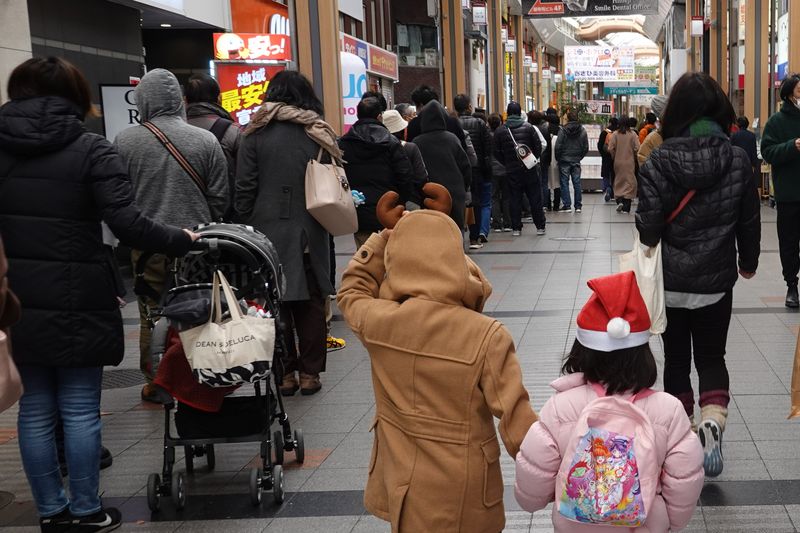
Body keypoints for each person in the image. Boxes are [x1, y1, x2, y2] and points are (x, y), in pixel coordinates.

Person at [0, 56, 197, 533]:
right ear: (76, 95)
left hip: (14, 300)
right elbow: (127, 224)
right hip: (78, 293)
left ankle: (51, 511)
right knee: (80, 406)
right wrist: (181, 238)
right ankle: (87, 510)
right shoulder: (91, 149)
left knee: (35, 408)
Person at [337, 188, 536, 533]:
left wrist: (387, 236)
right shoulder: (487, 335)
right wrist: (555, 473)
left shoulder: (378, 323)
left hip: (405, 489)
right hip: (469, 493)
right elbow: (518, 423)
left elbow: (352, 288)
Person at [637, 72, 761, 477]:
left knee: (675, 361)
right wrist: (749, 262)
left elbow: (648, 228)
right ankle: (713, 421)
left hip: (670, 284)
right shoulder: (738, 160)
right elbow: (749, 220)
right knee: (711, 357)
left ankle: (685, 437)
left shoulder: (658, 158)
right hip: (715, 283)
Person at [514, 271, 704, 532]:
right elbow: (684, 479)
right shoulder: (668, 411)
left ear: (582, 351)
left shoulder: (561, 408)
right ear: (643, 353)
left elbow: (531, 489)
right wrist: (670, 520)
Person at [114, 68, 229, 403]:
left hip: (147, 244)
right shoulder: (205, 140)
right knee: (196, 308)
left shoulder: (125, 141)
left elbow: (118, 198)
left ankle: (156, 381)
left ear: (143, 101)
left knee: (151, 311)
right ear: (179, 101)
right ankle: (199, 374)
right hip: (198, 244)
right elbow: (221, 196)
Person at [236, 71, 338, 396]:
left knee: (272, 304)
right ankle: (310, 374)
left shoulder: (254, 134)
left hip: (267, 234)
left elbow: (244, 189)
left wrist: (246, 220)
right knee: (310, 304)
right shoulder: (318, 132)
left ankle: (284, 375)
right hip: (311, 228)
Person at [338, 97, 416, 248]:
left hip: (359, 209)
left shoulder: (344, 143)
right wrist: (399, 202)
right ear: (379, 116)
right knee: (390, 254)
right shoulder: (391, 142)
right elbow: (405, 175)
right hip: (388, 209)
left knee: (366, 257)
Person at [762, 75, 800, 307]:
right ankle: (792, 286)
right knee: (788, 242)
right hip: (789, 195)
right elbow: (767, 152)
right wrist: (792, 146)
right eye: (799, 90)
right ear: (788, 94)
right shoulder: (776, 122)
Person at [184, 73, 242, 219]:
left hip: (185, 215)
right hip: (226, 217)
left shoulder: (172, 132)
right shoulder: (233, 131)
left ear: (185, 100)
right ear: (219, 99)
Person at [412, 100, 472, 231]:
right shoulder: (452, 139)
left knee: (433, 232)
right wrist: (464, 186)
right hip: (454, 193)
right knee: (455, 231)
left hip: (429, 194)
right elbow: (465, 166)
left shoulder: (417, 142)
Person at [494, 102, 546, 237]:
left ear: (508, 113)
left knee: (514, 198)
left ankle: (516, 228)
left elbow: (496, 151)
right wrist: (531, 159)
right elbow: (538, 147)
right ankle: (540, 226)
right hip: (530, 169)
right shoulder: (529, 128)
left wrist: (506, 163)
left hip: (512, 170)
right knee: (535, 197)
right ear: (519, 113)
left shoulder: (500, 130)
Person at [455, 94, 493, 248]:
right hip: (477, 169)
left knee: (461, 202)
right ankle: (474, 237)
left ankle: (459, 235)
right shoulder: (479, 123)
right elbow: (487, 148)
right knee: (477, 202)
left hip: (459, 168)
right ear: (469, 107)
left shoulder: (453, 123)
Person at [405, 85, 467, 151]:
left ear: (421, 106)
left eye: (416, 106)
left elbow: (411, 153)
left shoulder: (414, 125)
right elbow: (463, 150)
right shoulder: (453, 122)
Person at [382, 108, 429, 187]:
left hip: (385, 195)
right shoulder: (410, 148)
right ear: (403, 130)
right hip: (410, 196)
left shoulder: (378, 147)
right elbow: (421, 177)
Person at [555, 110, 589, 213]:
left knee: (564, 182)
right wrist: (579, 157)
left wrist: (558, 157)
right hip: (576, 160)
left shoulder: (563, 130)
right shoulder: (582, 130)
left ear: (568, 118)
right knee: (577, 183)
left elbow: (558, 146)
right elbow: (585, 147)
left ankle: (567, 205)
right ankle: (578, 206)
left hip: (564, 160)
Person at [608, 116, 640, 214]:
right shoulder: (633, 134)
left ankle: (619, 201)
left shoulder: (615, 134)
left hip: (618, 161)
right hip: (629, 161)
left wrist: (614, 155)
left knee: (619, 180)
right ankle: (626, 207)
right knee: (629, 182)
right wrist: (634, 155)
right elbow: (637, 147)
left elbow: (610, 148)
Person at [488, 113, 512, 232]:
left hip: (493, 170)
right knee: (507, 197)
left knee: (494, 196)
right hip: (506, 169)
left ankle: (497, 223)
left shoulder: (487, 136)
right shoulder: (505, 134)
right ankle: (508, 223)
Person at [731, 116, 759, 181]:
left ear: (738, 124)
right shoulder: (752, 136)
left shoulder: (734, 136)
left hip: (737, 164)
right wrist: (754, 164)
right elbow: (754, 151)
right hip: (748, 163)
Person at [598, 117, 619, 202]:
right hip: (616, 157)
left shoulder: (604, 132)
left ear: (610, 123)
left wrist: (603, 155)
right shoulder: (619, 133)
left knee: (606, 175)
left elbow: (600, 146)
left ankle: (607, 189)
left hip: (606, 157)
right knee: (615, 174)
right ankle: (615, 192)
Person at [545, 111, 562, 212]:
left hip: (547, 160)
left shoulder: (545, 131)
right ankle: (556, 204)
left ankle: (547, 204)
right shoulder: (561, 132)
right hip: (557, 160)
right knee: (557, 183)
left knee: (547, 183)